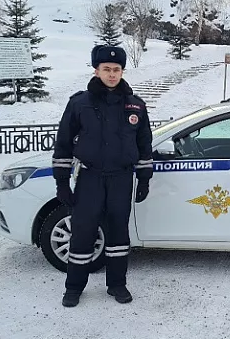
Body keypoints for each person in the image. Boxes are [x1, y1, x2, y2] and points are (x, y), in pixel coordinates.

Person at [51, 45, 153, 307]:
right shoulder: (79, 103)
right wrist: (62, 182)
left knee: (119, 233)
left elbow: (144, 144)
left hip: (121, 178)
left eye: (116, 69)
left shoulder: (136, 105)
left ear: (122, 71)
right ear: (96, 70)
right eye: (106, 69)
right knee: (83, 233)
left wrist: (143, 178)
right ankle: (74, 287)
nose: (111, 74)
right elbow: (63, 143)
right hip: (90, 178)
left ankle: (117, 285)